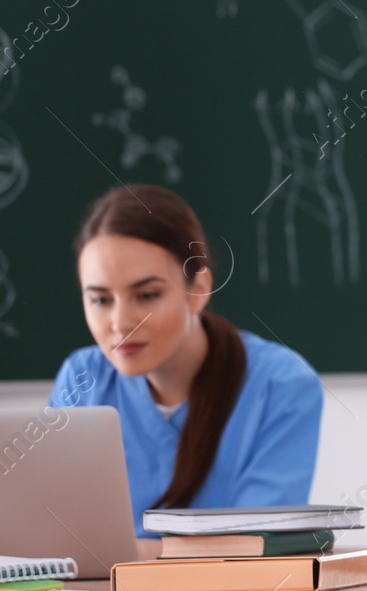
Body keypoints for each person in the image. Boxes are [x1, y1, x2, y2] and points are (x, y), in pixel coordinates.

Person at [50, 183, 323, 538]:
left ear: (198, 288)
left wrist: (127, 554)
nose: (120, 323)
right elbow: (54, 531)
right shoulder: (81, 379)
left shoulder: (281, 384)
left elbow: (253, 549)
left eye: (147, 295)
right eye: (100, 300)